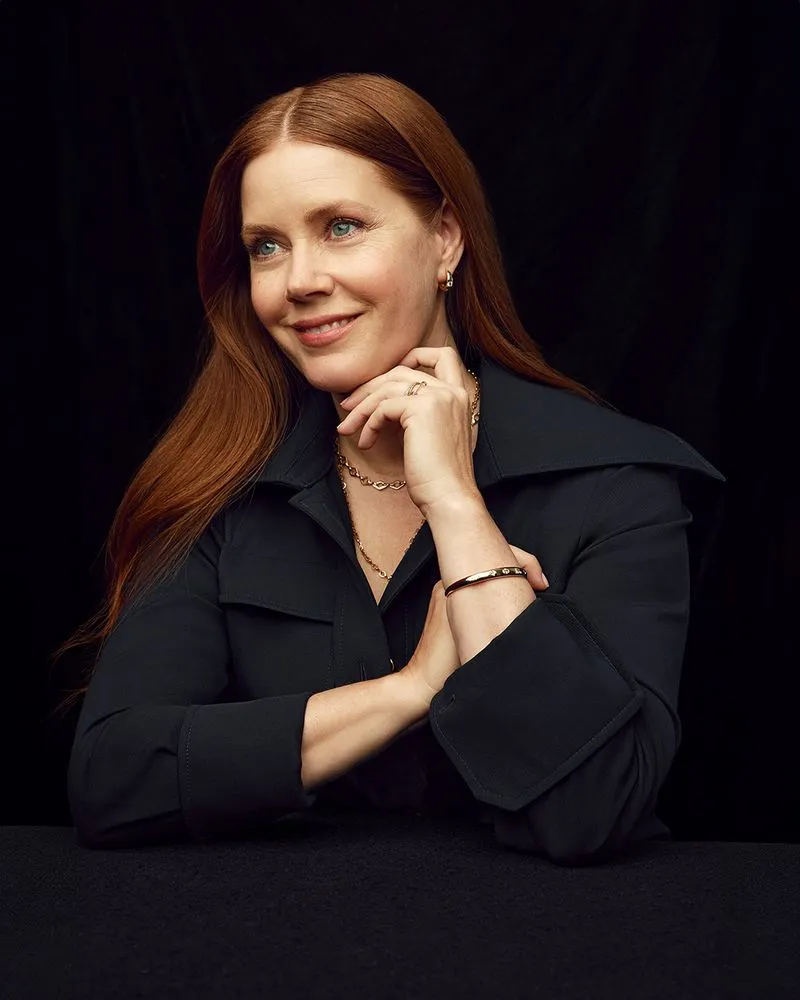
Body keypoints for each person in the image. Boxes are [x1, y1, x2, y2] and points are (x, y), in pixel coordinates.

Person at [58, 72, 724, 863]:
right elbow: (114, 780)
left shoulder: (618, 482)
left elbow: (594, 808)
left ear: (445, 238)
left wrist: (454, 501)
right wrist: (406, 692)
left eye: (341, 226)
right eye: (266, 246)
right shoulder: (217, 488)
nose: (298, 281)